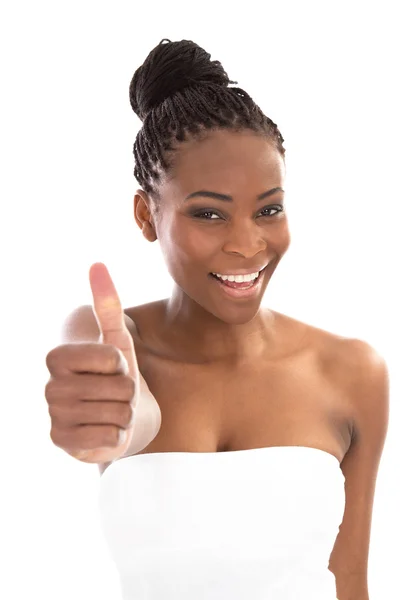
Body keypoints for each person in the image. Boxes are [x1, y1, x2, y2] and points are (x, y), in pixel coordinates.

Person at [45, 39, 389, 600]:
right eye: (209, 213)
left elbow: (349, 579)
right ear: (145, 214)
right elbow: (131, 417)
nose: (247, 244)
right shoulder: (108, 337)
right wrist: (119, 412)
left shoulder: (353, 372)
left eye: (268, 210)